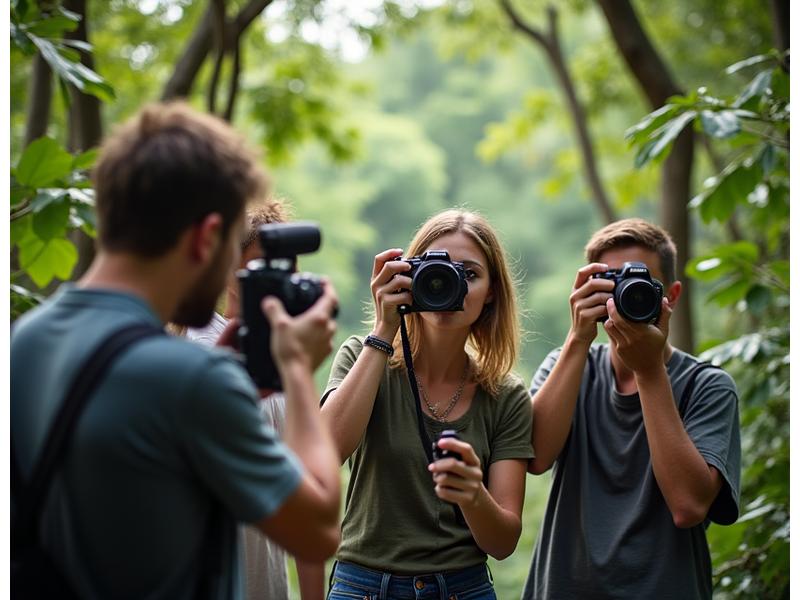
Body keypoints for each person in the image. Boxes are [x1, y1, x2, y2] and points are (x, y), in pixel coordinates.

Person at [10, 102, 341, 600]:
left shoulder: (25, 340)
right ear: (207, 237)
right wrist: (296, 369)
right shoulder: (188, 379)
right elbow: (318, 530)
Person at [522, 218, 741, 599]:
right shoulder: (569, 366)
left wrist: (650, 371)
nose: (626, 294)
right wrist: (578, 338)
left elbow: (689, 506)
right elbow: (535, 457)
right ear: (587, 289)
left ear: (671, 295)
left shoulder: (708, 385)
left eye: (640, 283)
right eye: (611, 282)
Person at [320, 209, 533, 599]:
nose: (448, 282)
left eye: (469, 274)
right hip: (362, 585)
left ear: (491, 294)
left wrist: (473, 494)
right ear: (405, 278)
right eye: (434, 270)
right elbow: (325, 453)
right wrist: (384, 328)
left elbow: (503, 544)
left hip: (461, 588)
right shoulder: (362, 357)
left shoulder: (505, 394)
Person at [185, 198, 324, 600]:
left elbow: (306, 490)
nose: (278, 275)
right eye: (262, 262)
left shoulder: (286, 354)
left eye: (287, 262)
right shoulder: (199, 348)